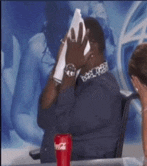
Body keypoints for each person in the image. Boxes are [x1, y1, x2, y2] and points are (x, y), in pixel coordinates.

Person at [37, 17, 122, 163]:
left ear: (92, 48)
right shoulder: (78, 81)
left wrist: (69, 69)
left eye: (71, 44)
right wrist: (59, 66)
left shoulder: (104, 88)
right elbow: (43, 118)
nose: (66, 49)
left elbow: (64, 126)